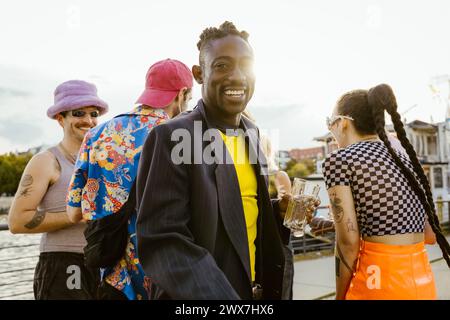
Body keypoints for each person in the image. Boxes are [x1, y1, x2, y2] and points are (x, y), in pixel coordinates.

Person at [136, 21, 319, 300]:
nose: (237, 77)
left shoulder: (252, 133)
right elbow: (164, 240)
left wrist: (277, 213)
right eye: (222, 65)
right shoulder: (172, 135)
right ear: (199, 74)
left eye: (246, 65)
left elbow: (236, 212)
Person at [66, 59, 193, 300]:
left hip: (116, 281)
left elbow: (74, 213)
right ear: (182, 93)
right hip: (169, 277)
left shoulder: (96, 134)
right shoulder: (183, 137)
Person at [322, 83, 450, 300]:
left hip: (377, 284)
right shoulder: (406, 160)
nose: (330, 130)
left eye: (329, 123)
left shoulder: (339, 160)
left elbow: (348, 243)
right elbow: (428, 235)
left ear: (343, 123)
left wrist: (340, 296)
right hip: (421, 283)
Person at [8, 80, 108, 299]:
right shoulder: (46, 161)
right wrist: (77, 216)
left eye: (93, 113)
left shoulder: (104, 161)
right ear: (60, 118)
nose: (88, 120)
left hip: (103, 265)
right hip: (63, 263)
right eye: (79, 113)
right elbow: (16, 221)